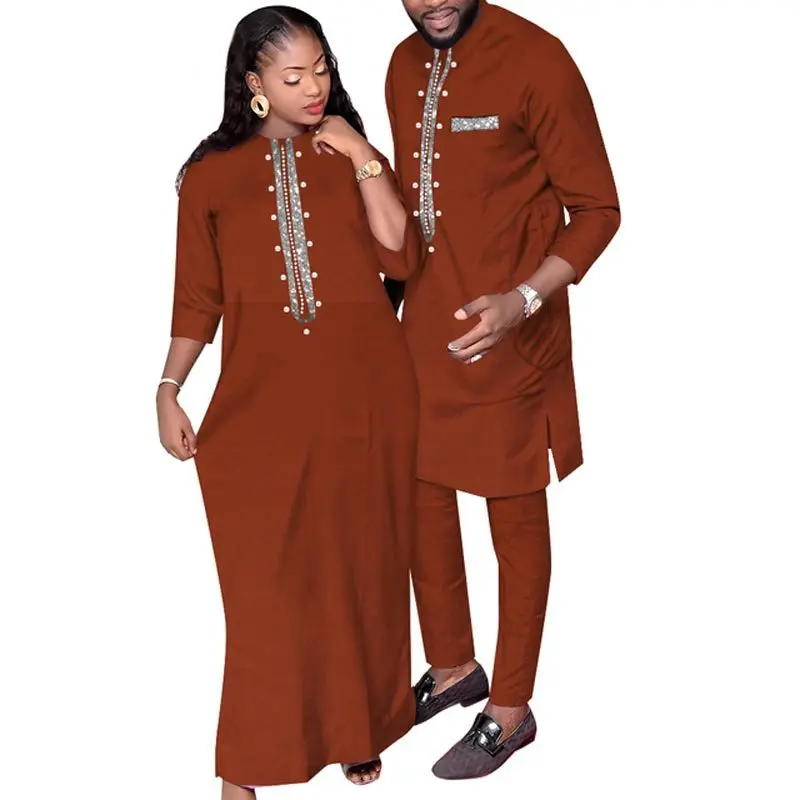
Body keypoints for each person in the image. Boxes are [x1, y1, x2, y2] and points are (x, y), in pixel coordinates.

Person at [155, 6, 422, 795]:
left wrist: (363, 153)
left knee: (361, 572)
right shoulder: (209, 178)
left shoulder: (350, 156)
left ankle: (357, 728)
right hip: (260, 411)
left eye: (322, 70)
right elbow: (196, 298)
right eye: (294, 75)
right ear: (255, 83)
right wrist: (169, 388)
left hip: (366, 398)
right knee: (266, 594)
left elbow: (401, 255)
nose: (314, 88)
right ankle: (247, 764)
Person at [383, 0, 621, 779]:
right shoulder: (402, 65)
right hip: (425, 333)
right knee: (419, 498)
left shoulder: (538, 59)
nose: (432, 1)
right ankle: (454, 666)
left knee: (512, 521)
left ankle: (511, 707)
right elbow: (413, 208)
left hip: (515, 338)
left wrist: (523, 299)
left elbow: (598, 210)